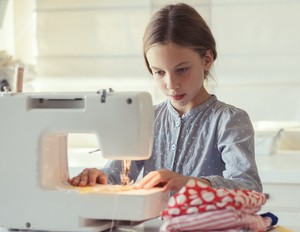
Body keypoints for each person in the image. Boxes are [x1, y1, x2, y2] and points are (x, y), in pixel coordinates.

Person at [69, 3, 262, 193]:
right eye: (159, 72)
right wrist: (97, 177)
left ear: (207, 59)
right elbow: (116, 176)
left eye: (182, 70)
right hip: (153, 225)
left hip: (205, 225)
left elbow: (249, 188)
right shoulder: (146, 120)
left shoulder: (229, 121)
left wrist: (189, 183)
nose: (171, 84)